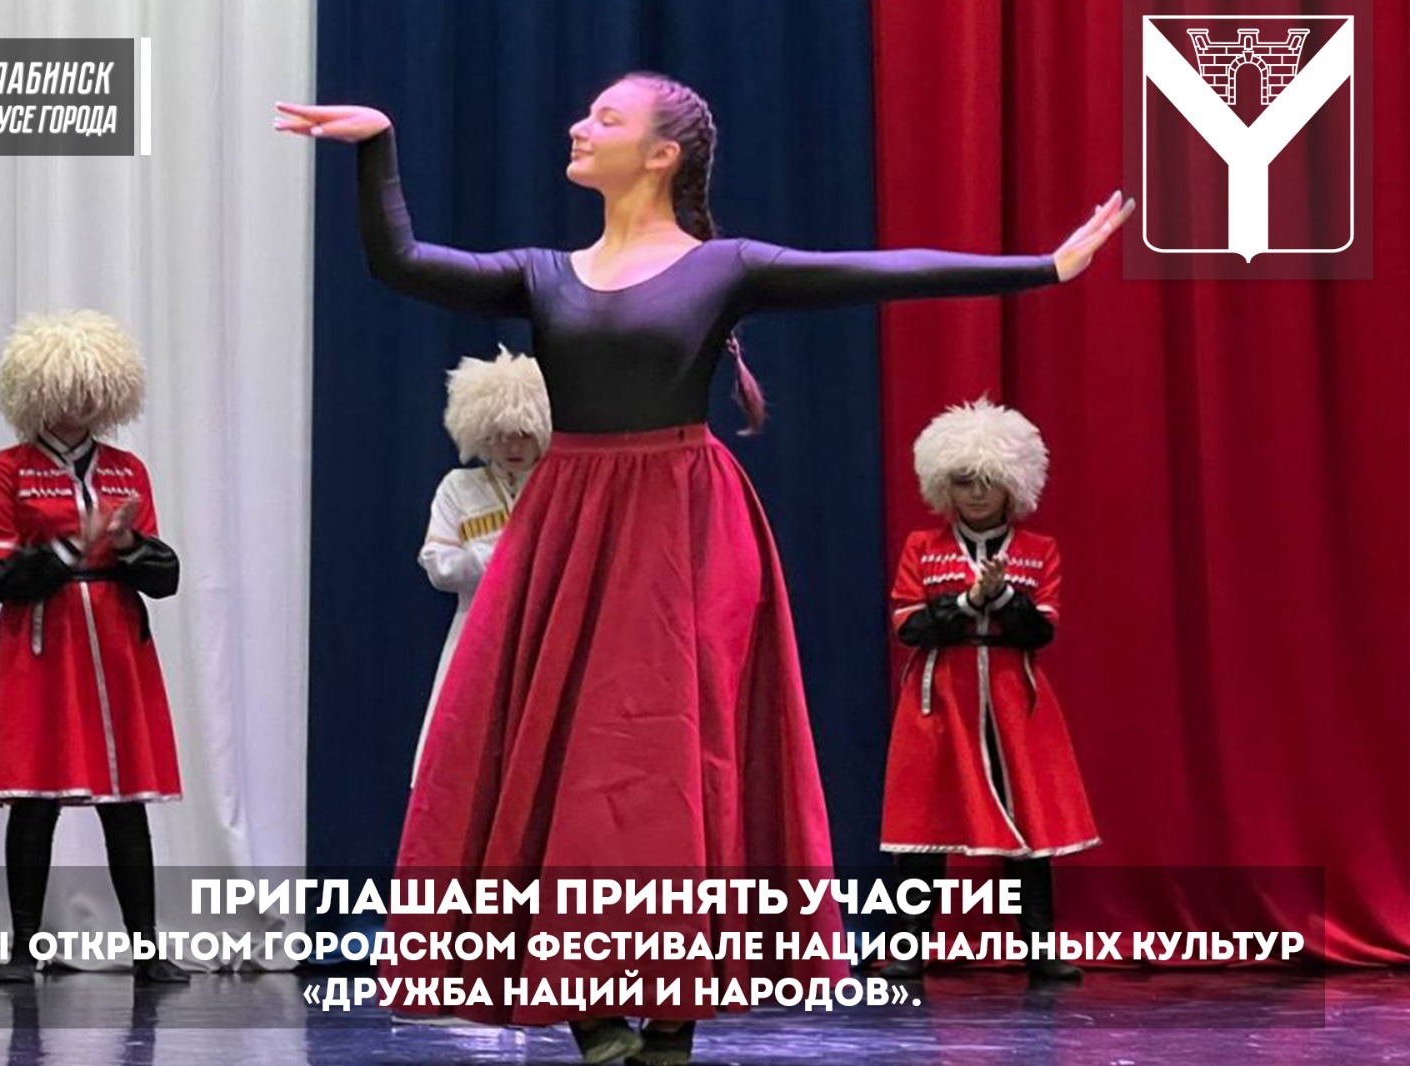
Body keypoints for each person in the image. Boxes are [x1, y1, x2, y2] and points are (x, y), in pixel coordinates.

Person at [275, 72, 1129, 1063]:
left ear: (661, 153)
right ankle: (591, 1008)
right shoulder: (544, 274)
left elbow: (879, 269)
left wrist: (1044, 266)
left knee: (681, 757)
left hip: (685, 523)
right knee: (572, 753)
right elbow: (402, 261)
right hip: (570, 525)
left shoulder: (723, 268)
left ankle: (674, 1015)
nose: (578, 126)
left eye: (605, 117)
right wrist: (377, 145)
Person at [0, 310, 189, 985]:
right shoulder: (8, 471)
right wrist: (72, 546)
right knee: (34, 800)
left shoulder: (127, 471)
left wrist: (126, 544)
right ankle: (22, 948)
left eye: (95, 387)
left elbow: (165, 577)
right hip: (40, 647)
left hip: (117, 645)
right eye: (71, 387)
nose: (85, 401)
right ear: (39, 391)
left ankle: (147, 949)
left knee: (125, 803)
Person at [881, 398, 1098, 982]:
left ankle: (1041, 946)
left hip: (1012, 704)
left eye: (989, 481)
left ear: (1014, 485)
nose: (976, 494)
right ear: (942, 484)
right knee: (923, 827)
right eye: (963, 480)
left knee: (1028, 826)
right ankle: (907, 945)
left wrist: (1000, 598)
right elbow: (909, 627)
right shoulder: (922, 548)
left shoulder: (1038, 551)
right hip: (938, 701)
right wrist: (967, 601)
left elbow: (1040, 632)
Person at [413, 345, 550, 786]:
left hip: (547, 634)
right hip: (475, 631)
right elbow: (438, 567)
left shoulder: (558, 487)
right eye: (500, 434)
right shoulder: (458, 487)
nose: (512, 446)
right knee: (466, 755)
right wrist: (496, 557)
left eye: (523, 433)